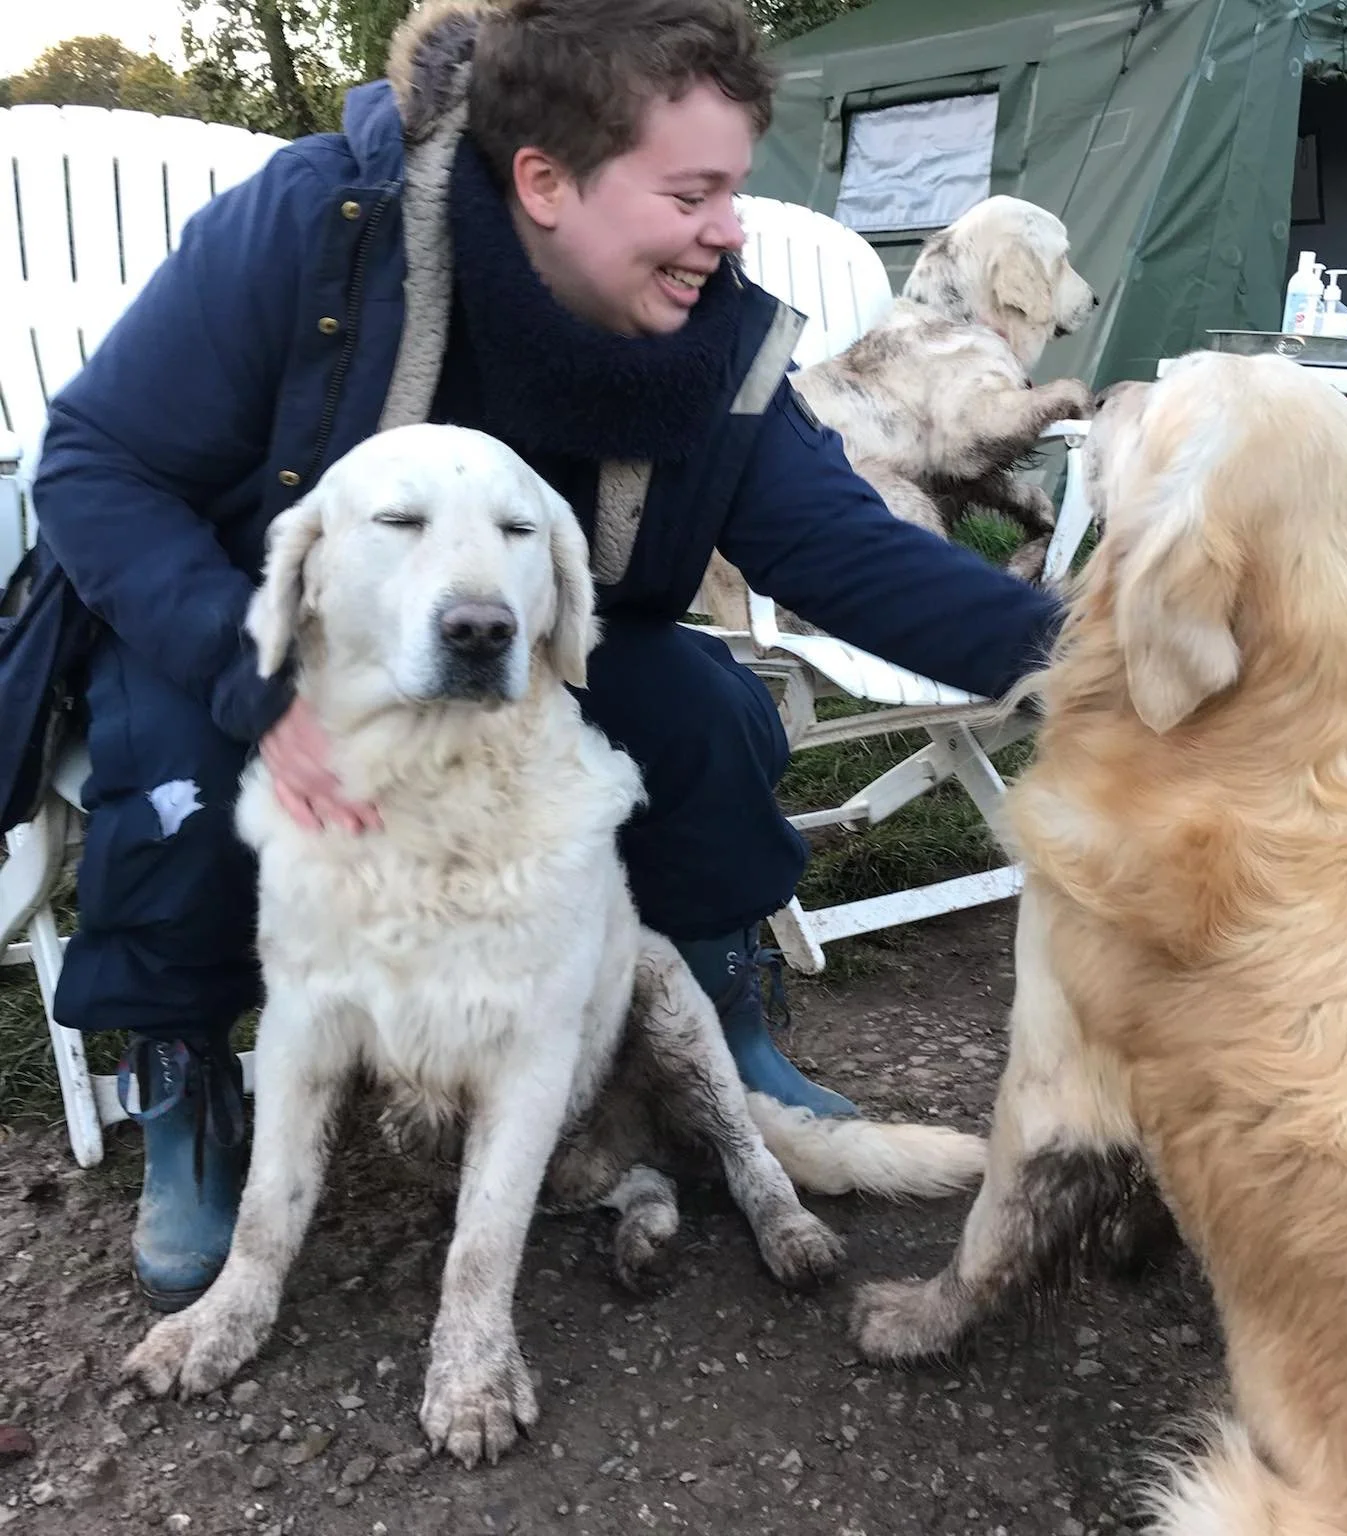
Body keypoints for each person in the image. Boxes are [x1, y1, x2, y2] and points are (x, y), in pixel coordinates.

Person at [0, 0, 1066, 1313]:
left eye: (733, 191)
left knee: (696, 708)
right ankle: (187, 1080)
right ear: (546, 183)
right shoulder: (316, 229)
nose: (729, 231)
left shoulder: (713, 338)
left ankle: (717, 1020)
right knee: (176, 757)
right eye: (694, 194)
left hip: (512, 641)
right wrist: (252, 677)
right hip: (252, 608)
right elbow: (93, 462)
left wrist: (1085, 650)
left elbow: (842, 546)